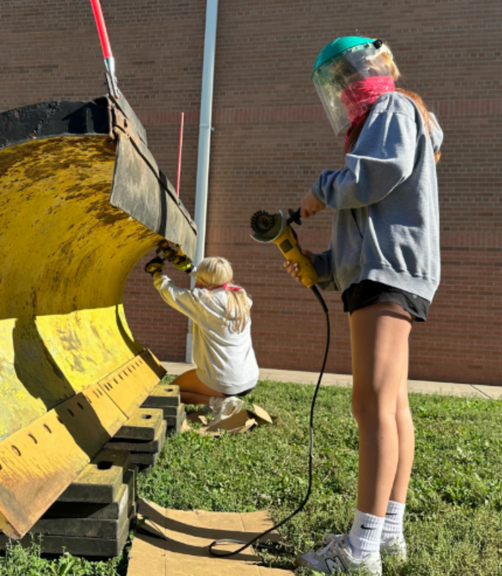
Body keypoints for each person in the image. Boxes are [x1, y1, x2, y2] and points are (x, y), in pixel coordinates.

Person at [287, 36, 443, 575]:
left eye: (346, 79)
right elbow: (368, 224)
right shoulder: (382, 122)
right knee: (391, 405)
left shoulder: (393, 108)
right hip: (383, 272)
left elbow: (374, 177)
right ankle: (388, 534)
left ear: (371, 70)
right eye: (336, 85)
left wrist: (320, 189)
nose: (343, 91)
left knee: (371, 405)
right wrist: (322, 266)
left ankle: (360, 550)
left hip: (387, 275)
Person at [143, 247, 259, 426]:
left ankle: (221, 403)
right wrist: (188, 268)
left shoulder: (203, 300)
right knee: (180, 389)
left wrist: (156, 273)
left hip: (223, 379)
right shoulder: (240, 296)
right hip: (248, 377)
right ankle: (221, 401)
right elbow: (213, 281)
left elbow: (169, 292)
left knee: (169, 392)